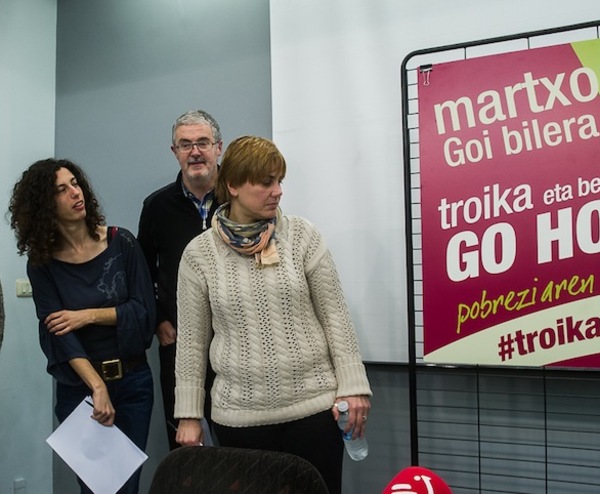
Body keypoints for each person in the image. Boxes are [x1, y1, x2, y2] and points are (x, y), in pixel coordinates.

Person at [174, 136, 372, 494]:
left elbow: (336, 317)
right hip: (239, 421)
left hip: (313, 413)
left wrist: (354, 387)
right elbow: (190, 343)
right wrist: (189, 415)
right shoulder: (198, 255)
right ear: (233, 185)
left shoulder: (302, 236)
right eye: (265, 182)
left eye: (279, 181)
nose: (277, 191)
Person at [8, 158, 156, 494]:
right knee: (98, 488)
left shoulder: (122, 243)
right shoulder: (41, 264)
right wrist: (96, 387)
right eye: (62, 189)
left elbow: (143, 313)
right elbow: (59, 336)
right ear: (45, 206)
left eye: (75, 183)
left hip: (132, 383)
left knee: (126, 486)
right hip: (79, 391)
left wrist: (86, 315)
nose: (76, 193)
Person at [137, 109, 222, 450]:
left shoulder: (239, 200)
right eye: (185, 145)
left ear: (219, 147)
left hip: (234, 341)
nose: (195, 152)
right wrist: (157, 319)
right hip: (179, 344)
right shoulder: (157, 206)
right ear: (174, 152)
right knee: (184, 445)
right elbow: (141, 272)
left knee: (239, 446)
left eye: (202, 142)